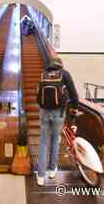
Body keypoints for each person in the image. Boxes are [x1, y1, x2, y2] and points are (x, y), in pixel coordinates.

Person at [35, 57, 79, 186]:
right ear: (61, 65)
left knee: (43, 142)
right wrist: (75, 108)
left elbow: (37, 95)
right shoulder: (64, 74)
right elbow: (73, 94)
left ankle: (40, 175)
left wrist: (42, 107)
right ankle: (52, 169)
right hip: (58, 112)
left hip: (43, 111)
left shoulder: (43, 74)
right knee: (55, 140)